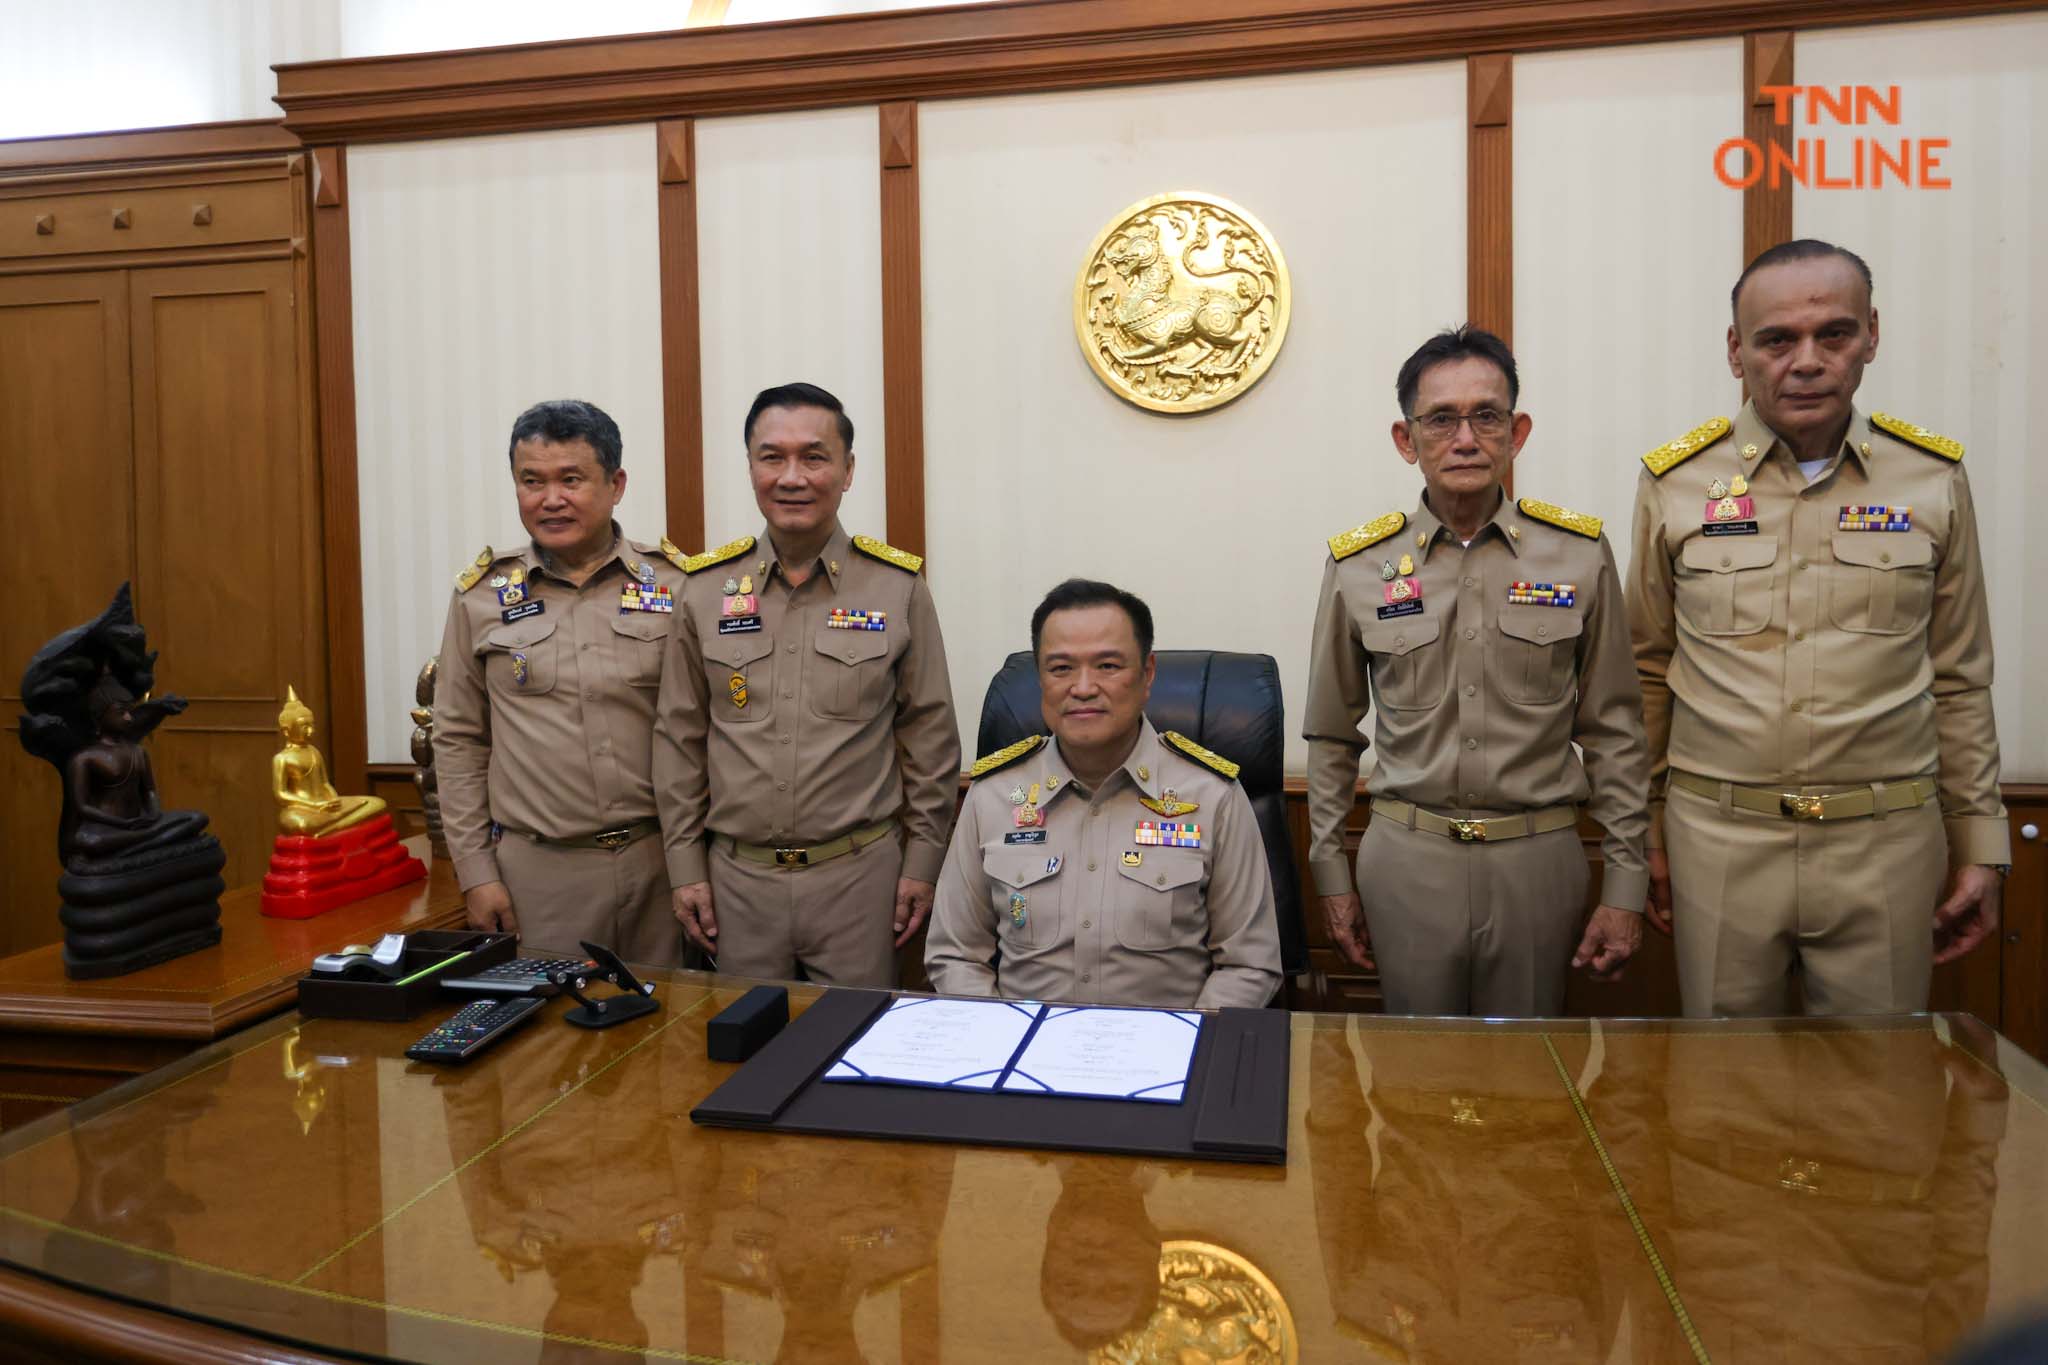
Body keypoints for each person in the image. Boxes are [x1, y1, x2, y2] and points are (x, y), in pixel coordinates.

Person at [1627, 239, 2007, 1016]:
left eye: (1832, 334)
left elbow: (1961, 677)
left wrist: (1983, 845)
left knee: (1878, 1099)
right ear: (1737, 351)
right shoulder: (1675, 483)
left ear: (1872, 334)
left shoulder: (1932, 480)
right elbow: (1644, 674)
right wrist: (1643, 837)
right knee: (1725, 1101)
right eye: (1776, 339)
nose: (1806, 361)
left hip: (1886, 843)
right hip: (1719, 841)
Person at [1304, 326, 1651, 1016]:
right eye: (1441, 419)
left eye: (1486, 416)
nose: (1465, 438)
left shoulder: (1578, 555)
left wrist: (1625, 886)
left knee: (1527, 1080)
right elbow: (1331, 736)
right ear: (1407, 440)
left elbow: (1615, 731)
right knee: (1414, 1081)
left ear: (1516, 432)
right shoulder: (1359, 566)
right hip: (1408, 859)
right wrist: (1330, 874)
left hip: (1538, 858)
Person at [655, 382, 959, 987]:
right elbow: (679, 739)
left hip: (858, 878)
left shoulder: (896, 587)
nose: (792, 476)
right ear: (750, 468)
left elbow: (930, 740)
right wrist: (686, 867)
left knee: (855, 1055)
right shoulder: (705, 588)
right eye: (772, 457)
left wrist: (922, 866)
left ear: (847, 472)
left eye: (814, 457)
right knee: (743, 1056)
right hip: (735, 884)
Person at [925, 578, 1281, 1008]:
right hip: (1024, 1051)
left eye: (1108, 666)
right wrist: (1006, 1038)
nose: (1083, 687)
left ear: (1147, 675)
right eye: (1061, 668)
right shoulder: (994, 796)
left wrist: (1184, 1047)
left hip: (1167, 1055)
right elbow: (955, 955)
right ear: (1041, 679)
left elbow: (1248, 964)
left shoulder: (1212, 797)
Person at [432, 398, 685, 963]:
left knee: (673, 1041)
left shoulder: (677, 584)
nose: (551, 499)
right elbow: (457, 741)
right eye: (531, 481)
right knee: (548, 1046)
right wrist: (475, 874)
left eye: (572, 479)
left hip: (662, 866)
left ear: (616, 484)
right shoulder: (481, 597)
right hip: (539, 876)